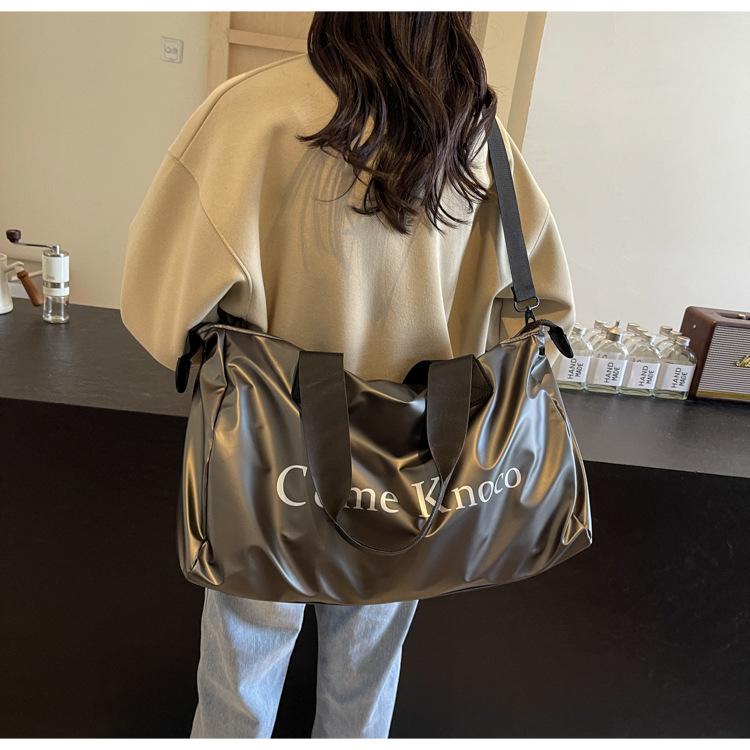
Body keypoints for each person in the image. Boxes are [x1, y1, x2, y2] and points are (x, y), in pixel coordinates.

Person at [120, 11, 574, 739]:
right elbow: (544, 301)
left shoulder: (251, 111)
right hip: (418, 460)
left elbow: (157, 304)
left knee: (241, 681)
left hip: (271, 449)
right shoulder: (477, 135)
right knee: (366, 683)